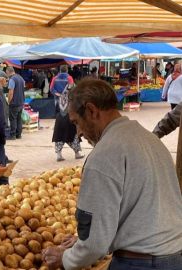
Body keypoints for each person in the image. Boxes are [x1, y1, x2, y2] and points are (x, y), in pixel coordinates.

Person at [42, 79, 182, 270]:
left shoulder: (104, 154)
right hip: (174, 257)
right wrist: (88, 240)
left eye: (77, 123)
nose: (79, 133)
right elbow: (139, 211)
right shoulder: (149, 140)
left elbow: (95, 245)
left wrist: (66, 258)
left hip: (140, 263)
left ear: (91, 111)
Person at [52, 83, 84, 161]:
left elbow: (57, 109)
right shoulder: (75, 99)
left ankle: (59, 155)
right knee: (74, 136)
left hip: (60, 118)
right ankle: (77, 153)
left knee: (59, 136)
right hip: (70, 118)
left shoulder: (61, 97)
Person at [6, 66, 26, 140]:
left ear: (8, 72)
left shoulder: (12, 79)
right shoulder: (20, 78)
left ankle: (13, 135)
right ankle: (19, 134)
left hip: (14, 103)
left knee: (13, 119)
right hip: (21, 102)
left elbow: (11, 92)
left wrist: (9, 101)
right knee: (19, 118)